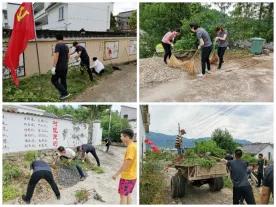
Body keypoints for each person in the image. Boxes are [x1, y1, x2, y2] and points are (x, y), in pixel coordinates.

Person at [112, 129, 137, 204]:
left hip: (127, 177)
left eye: (121, 136)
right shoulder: (133, 145)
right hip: (132, 176)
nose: (120, 138)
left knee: (123, 197)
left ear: (127, 137)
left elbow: (126, 164)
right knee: (128, 195)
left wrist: (116, 174)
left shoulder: (131, 147)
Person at [51, 34, 70, 100]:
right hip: (65, 66)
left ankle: (65, 93)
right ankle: (64, 95)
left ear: (56, 39)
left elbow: (56, 56)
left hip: (59, 67)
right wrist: (66, 63)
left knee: (54, 80)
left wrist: (54, 66)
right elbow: (68, 56)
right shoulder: (66, 46)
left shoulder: (58, 45)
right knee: (63, 80)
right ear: (63, 38)